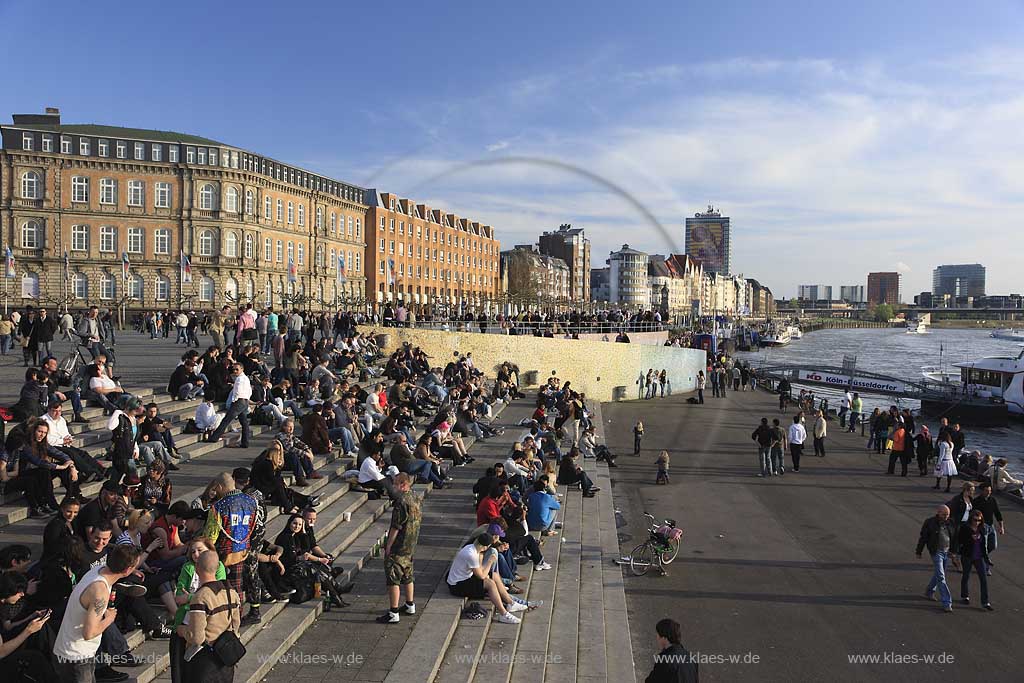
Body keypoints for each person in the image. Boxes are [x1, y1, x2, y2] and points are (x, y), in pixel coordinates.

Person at [53, 544, 142, 683]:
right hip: (77, 658)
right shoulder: (100, 592)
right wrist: (109, 618)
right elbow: (89, 633)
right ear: (127, 570)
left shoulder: (98, 570)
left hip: (73, 653)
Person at [179, 550, 242, 683]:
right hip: (225, 659)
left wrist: (182, 630)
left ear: (197, 568)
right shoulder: (231, 592)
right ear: (218, 567)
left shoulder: (201, 597)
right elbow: (236, 626)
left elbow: (197, 638)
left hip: (205, 662)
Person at [446, 533, 528, 625]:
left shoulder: (472, 548)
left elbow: (480, 570)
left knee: (495, 575)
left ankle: (511, 603)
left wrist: (482, 560)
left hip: (464, 578)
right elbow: (481, 576)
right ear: (485, 547)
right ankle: (503, 614)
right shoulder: (471, 555)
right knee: (490, 583)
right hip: (457, 586)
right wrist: (490, 562)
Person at [376, 473, 421, 624]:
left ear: (403, 484)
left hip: (399, 545)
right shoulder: (415, 496)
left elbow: (396, 526)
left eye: (395, 484)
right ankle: (410, 604)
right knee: (408, 574)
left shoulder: (401, 501)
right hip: (411, 544)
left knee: (393, 577)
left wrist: (388, 546)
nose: (393, 487)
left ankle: (393, 612)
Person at [916, 505, 953, 612]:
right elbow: (923, 537)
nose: (946, 517)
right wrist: (919, 551)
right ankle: (947, 602)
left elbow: (954, 537)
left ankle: (929, 591)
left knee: (939, 574)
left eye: (948, 515)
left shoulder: (950, 522)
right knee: (941, 577)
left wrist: (954, 551)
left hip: (947, 551)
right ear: (938, 513)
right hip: (936, 552)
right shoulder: (930, 522)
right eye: (944, 514)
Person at [207, 364, 251, 449]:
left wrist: (234, 401)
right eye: (233, 369)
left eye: (237, 369)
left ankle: (214, 438)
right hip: (245, 401)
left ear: (242, 369)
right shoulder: (246, 378)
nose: (234, 371)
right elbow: (249, 391)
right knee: (244, 422)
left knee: (226, 420)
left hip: (239, 401)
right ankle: (245, 442)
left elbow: (237, 391)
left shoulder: (239, 379)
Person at [644, 617, 698, 683]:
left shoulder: (665, 660)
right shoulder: (691, 658)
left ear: (664, 638)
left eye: (658, 636)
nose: (657, 639)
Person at [957, 510, 993, 610]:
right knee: (966, 576)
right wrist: (970, 538)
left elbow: (983, 545)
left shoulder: (982, 529)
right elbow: (960, 540)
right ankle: (965, 595)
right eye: (975, 520)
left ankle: (985, 602)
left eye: (979, 520)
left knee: (983, 579)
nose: (977, 522)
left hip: (979, 557)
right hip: (967, 556)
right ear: (971, 519)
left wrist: (986, 558)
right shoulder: (965, 528)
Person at [972, 483, 1003, 576]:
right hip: (982, 527)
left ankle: (979, 557)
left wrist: (1001, 526)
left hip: (991, 526)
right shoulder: (977, 501)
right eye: (986, 490)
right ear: (981, 491)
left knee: (993, 545)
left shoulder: (992, 500)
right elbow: (973, 515)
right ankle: (985, 568)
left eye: (990, 490)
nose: (989, 492)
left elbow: (997, 513)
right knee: (984, 547)